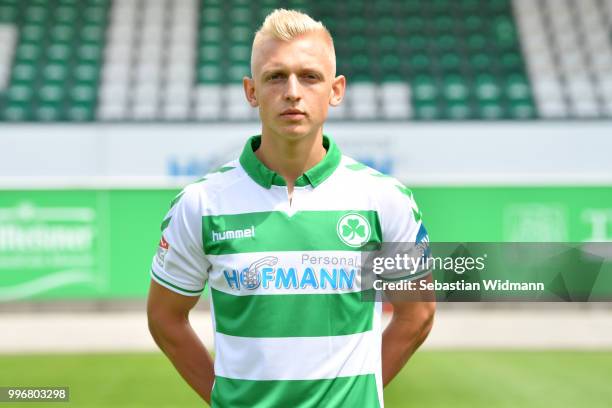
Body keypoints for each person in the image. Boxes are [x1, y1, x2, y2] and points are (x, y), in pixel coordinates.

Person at [147, 8, 435, 407]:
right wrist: (224, 398)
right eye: (276, 76)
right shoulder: (201, 203)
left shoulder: (384, 198)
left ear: (336, 90)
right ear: (252, 91)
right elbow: (164, 318)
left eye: (310, 76)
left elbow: (417, 314)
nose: (293, 91)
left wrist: (358, 396)